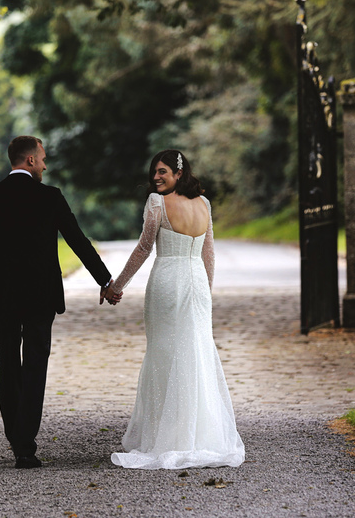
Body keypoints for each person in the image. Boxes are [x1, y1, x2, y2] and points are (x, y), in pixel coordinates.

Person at [0, 136, 118, 469]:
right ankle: (25, 444)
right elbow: (77, 239)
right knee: (35, 365)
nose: (45, 165)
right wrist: (105, 280)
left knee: (8, 363)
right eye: (43, 159)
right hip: (40, 297)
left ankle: (15, 438)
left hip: (1, 297)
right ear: (30, 160)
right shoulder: (50, 197)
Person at [105, 149, 245, 470]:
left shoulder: (157, 203)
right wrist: (206, 292)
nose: (156, 178)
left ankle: (166, 437)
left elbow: (144, 248)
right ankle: (196, 434)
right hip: (197, 283)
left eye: (163, 172)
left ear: (179, 173)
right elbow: (208, 254)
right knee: (194, 353)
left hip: (168, 280)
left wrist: (117, 286)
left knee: (165, 353)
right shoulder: (204, 204)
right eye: (154, 172)